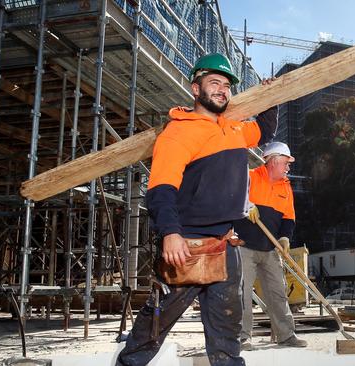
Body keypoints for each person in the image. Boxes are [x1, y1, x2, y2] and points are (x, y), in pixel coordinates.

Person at [116, 53, 277, 366]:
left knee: (227, 331)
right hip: (186, 245)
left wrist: (271, 97)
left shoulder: (233, 129)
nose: (222, 90)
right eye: (214, 82)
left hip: (224, 243)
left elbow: (264, 132)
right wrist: (170, 234)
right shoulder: (178, 132)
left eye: (226, 85)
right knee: (154, 326)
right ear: (195, 88)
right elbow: (161, 189)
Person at [233, 142, 307, 350]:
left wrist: (284, 237)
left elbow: (288, 217)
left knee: (278, 292)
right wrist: (247, 205)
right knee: (243, 293)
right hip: (244, 246)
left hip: (270, 248)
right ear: (273, 161)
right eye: (286, 163)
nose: (288, 168)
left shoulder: (285, 186)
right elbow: (230, 195)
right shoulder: (250, 176)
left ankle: (286, 335)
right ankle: (242, 337)